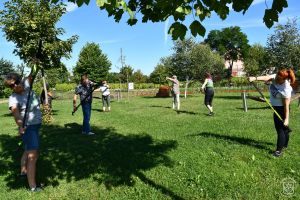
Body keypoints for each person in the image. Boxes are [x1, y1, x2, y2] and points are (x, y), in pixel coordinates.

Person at [4, 72, 42, 192]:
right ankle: (33, 186)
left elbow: (32, 73)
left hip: (35, 125)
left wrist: (36, 60)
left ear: (20, 81)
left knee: (27, 150)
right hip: (28, 127)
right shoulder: (13, 98)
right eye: (11, 86)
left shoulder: (26, 84)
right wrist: (20, 126)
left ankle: (23, 171)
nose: (14, 87)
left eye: (15, 83)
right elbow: (16, 114)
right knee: (33, 154)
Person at [249, 69, 296, 157]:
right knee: (284, 128)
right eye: (277, 77)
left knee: (280, 129)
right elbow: (267, 78)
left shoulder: (286, 89)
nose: (276, 80)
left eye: (279, 79)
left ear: (284, 79)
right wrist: (255, 78)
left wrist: (286, 119)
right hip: (276, 107)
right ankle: (285, 143)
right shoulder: (276, 76)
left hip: (282, 109)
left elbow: (286, 106)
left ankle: (279, 150)